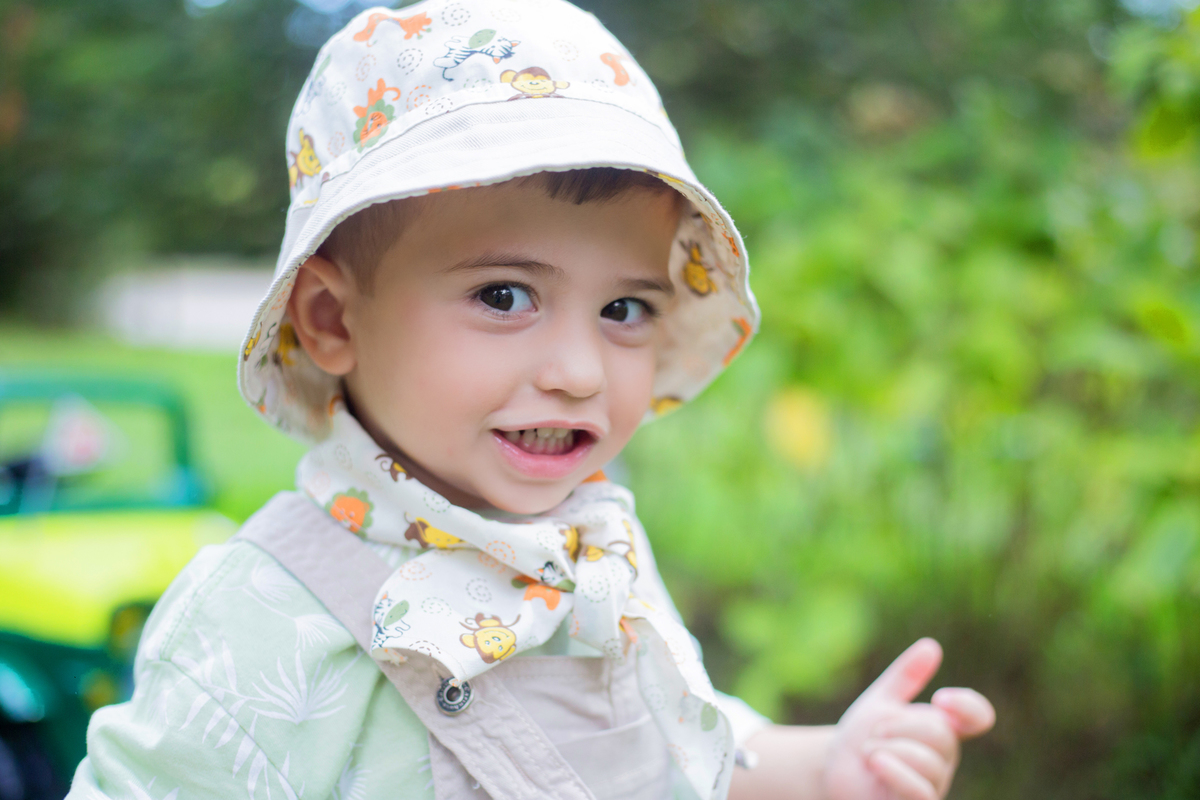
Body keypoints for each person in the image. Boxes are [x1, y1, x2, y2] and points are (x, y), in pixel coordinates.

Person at [68, 1, 995, 798]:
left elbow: (674, 740)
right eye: (504, 296)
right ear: (330, 318)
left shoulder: (596, 547)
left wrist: (823, 762)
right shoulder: (258, 619)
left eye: (624, 310)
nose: (580, 372)